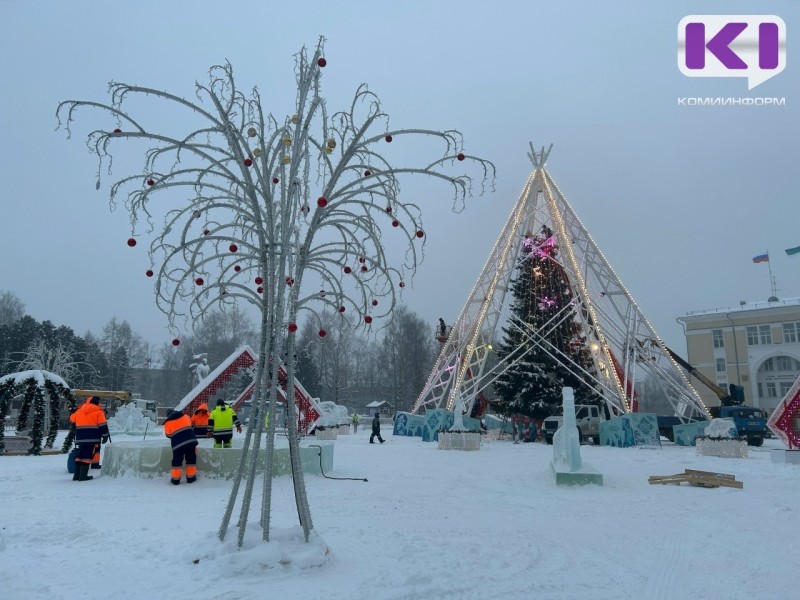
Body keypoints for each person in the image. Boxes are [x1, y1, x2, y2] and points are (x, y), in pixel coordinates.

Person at [69, 396, 110, 481]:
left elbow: (71, 419)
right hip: (92, 437)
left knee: (80, 456)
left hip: (80, 437)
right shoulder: (99, 412)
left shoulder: (79, 411)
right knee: (87, 456)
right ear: (98, 403)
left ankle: (76, 476)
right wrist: (105, 436)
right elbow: (102, 425)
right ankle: (83, 476)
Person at [163, 409, 198, 485]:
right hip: (190, 441)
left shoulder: (168, 422)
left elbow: (168, 435)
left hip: (178, 444)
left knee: (177, 461)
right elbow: (190, 424)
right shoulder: (185, 416)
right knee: (191, 459)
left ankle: (176, 480)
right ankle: (191, 478)